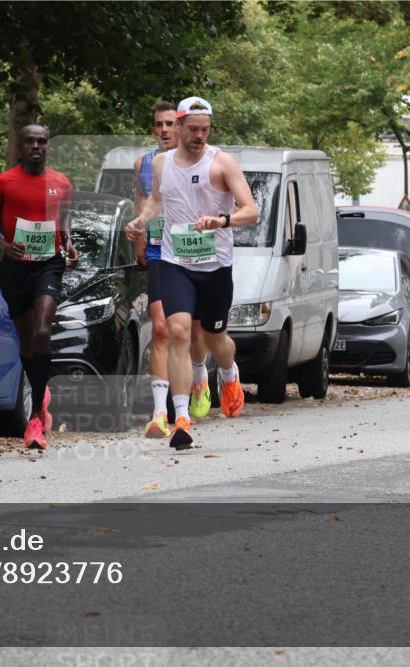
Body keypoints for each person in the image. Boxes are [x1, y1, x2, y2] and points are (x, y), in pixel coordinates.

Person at [126, 96, 259, 450]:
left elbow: (252, 210)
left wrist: (223, 220)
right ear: (180, 126)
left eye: (206, 130)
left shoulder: (222, 164)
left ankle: (229, 373)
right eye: (194, 129)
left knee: (216, 340)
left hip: (214, 265)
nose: (200, 136)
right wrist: (141, 221)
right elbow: (157, 200)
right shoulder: (161, 163)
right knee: (178, 331)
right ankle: (181, 418)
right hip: (175, 261)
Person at [0, 124, 79, 450]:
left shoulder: (60, 183)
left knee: (43, 332)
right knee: (27, 345)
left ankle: (35, 415)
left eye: (42, 141)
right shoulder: (3, 182)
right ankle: (40, 390)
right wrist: (4, 247)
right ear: (20, 146)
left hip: (49, 264)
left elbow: (64, 221)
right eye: (30, 141)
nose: (36, 146)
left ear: (49, 145)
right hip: (15, 269)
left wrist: (71, 244)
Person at [132, 101, 211, 439]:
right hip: (157, 250)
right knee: (162, 330)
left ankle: (199, 373)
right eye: (157, 125)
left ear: (178, 127)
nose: (163, 130)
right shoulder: (144, 163)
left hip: (190, 250)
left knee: (192, 333)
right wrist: (138, 236)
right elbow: (142, 199)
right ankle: (160, 412)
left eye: (168, 124)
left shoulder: (198, 160)